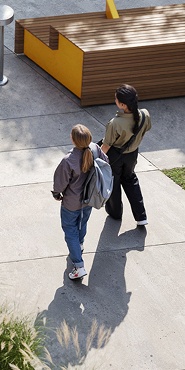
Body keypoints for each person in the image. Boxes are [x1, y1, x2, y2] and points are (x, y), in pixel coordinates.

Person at [51, 124, 105, 283]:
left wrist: (56, 193)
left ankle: (79, 266)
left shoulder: (68, 160)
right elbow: (105, 164)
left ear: (72, 139)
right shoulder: (96, 150)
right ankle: (80, 245)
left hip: (71, 203)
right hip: (89, 200)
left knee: (69, 229)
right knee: (83, 222)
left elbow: (60, 183)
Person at [101, 84, 152, 229]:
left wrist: (94, 160)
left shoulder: (115, 123)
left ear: (122, 104)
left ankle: (116, 214)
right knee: (130, 180)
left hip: (115, 157)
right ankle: (141, 216)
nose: (115, 100)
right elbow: (142, 135)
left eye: (116, 99)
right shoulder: (145, 114)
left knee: (114, 183)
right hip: (132, 155)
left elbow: (106, 147)